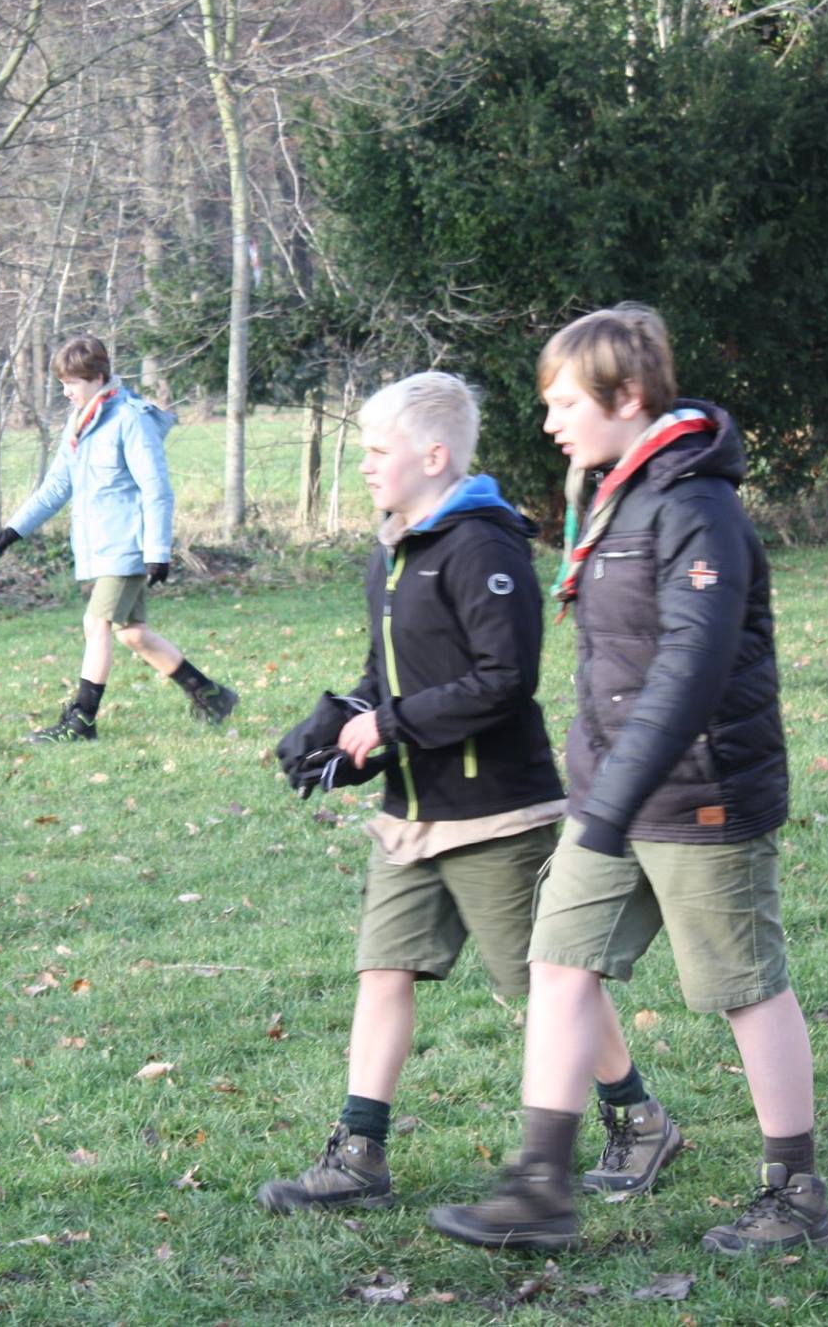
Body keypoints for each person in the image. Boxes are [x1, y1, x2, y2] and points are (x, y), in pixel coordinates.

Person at [430, 304, 828, 1255]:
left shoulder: (694, 507)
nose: (551, 419)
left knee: (744, 985)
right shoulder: (620, 494)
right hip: (612, 795)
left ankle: (795, 1188)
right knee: (557, 961)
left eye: (566, 400)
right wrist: (601, 794)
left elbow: (687, 671)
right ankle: (539, 1185)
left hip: (702, 792)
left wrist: (610, 799)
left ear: (630, 397)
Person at [257, 373, 678, 1215]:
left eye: (380, 451)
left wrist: (396, 722)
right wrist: (343, 732)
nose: (368, 466)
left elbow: (505, 679)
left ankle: (636, 1116)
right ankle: (358, 1153)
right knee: (383, 972)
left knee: (544, 985)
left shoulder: (485, 546)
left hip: (500, 816)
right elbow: (388, 679)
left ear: (434, 454)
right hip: (411, 814)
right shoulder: (391, 547)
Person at [0, 335, 237, 742]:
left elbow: (156, 488)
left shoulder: (130, 419)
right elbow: (56, 487)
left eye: (72, 383)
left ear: (97, 377)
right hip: (103, 548)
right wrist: (16, 528)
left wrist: (158, 552)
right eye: (63, 383)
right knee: (131, 633)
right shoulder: (80, 424)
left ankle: (81, 722)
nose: (66, 392)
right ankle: (212, 697)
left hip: (129, 546)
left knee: (96, 622)